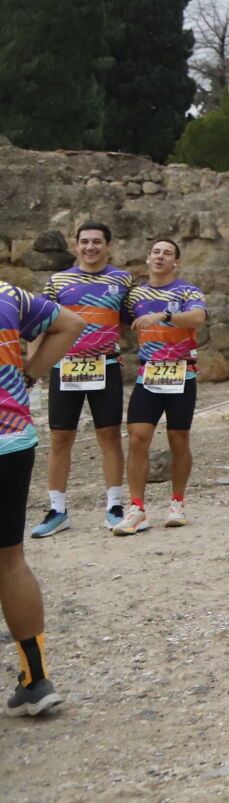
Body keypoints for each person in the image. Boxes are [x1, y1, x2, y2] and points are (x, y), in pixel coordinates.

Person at [1, 282, 86, 716]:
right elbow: (71, 323)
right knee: (10, 560)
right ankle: (35, 681)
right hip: (10, 441)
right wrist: (29, 372)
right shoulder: (8, 295)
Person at [32, 222, 133, 536]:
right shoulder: (58, 281)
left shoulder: (123, 280)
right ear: (76, 246)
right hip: (66, 367)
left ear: (109, 245)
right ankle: (57, 509)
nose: (91, 247)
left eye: (97, 242)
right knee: (60, 438)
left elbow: (132, 320)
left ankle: (115, 506)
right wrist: (31, 369)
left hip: (107, 366)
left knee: (110, 435)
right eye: (85, 242)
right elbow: (40, 325)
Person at [113, 238, 208, 535]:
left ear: (176, 262)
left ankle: (177, 503)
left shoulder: (187, 291)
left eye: (167, 253)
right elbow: (118, 321)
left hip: (182, 375)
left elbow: (198, 318)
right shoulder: (134, 294)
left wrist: (165, 316)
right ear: (147, 258)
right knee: (138, 437)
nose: (160, 256)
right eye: (156, 252)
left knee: (178, 438)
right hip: (148, 376)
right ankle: (137, 508)